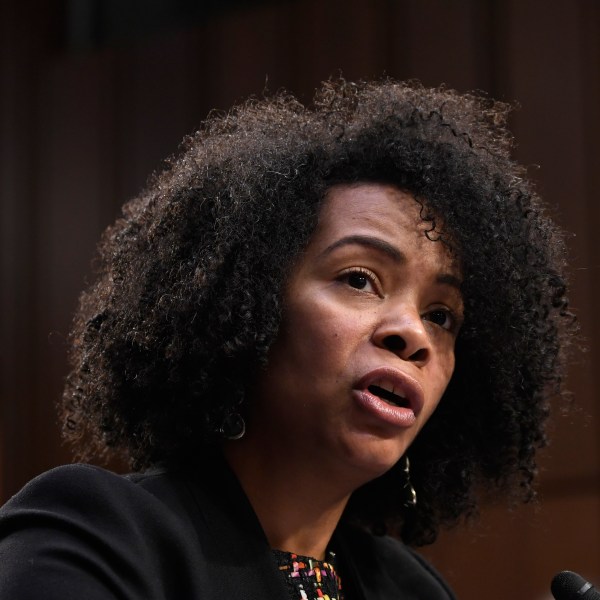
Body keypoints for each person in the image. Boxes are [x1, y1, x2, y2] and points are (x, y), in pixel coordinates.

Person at [0, 79, 573, 599]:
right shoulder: (92, 533)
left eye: (442, 316)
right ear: (245, 303)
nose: (412, 334)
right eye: (359, 279)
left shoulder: (412, 589)